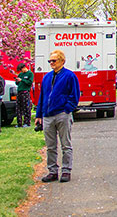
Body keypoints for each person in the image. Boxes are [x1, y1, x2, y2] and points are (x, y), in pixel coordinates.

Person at [35, 49, 81, 183]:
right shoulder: (46, 77)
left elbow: (74, 95)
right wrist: (39, 114)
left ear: (62, 61)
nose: (51, 63)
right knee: (50, 146)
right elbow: (42, 96)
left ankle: (66, 170)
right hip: (48, 115)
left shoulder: (69, 76)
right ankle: (52, 171)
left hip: (62, 114)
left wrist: (67, 109)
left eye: (54, 61)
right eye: (50, 61)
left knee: (65, 144)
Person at [15, 63, 34, 127]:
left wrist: (22, 80)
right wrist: (17, 81)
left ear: (24, 68)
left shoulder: (30, 74)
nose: (21, 71)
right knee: (18, 108)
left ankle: (27, 122)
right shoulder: (20, 74)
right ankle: (19, 123)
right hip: (19, 91)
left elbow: (29, 82)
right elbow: (18, 83)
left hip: (25, 92)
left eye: (21, 69)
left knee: (26, 107)